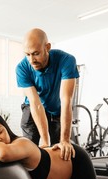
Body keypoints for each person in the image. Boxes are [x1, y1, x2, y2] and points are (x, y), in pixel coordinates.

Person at [16, 28, 79, 161]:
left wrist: (65, 140)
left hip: (55, 110)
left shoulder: (66, 60)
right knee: (31, 152)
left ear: (47, 47)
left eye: (36, 53)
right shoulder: (22, 68)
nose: (31, 60)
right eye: (27, 54)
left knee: (60, 151)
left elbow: (66, 100)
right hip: (32, 108)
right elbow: (36, 103)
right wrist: (45, 142)